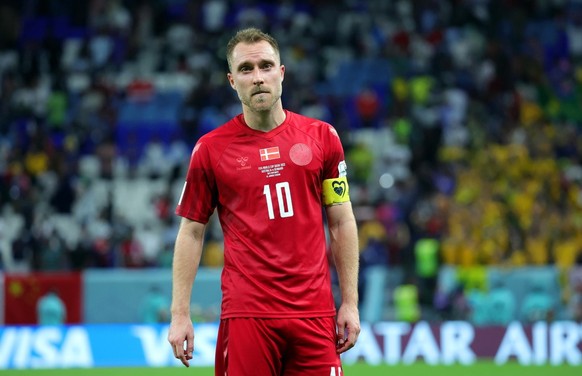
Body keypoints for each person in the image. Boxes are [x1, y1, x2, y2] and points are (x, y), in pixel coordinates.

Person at [167, 27, 360, 375]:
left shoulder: (323, 138)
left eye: (266, 66)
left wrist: (350, 302)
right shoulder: (210, 150)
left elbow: (342, 221)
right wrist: (180, 314)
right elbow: (192, 231)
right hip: (248, 315)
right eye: (245, 69)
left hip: (315, 312)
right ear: (231, 80)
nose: (257, 77)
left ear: (281, 72)